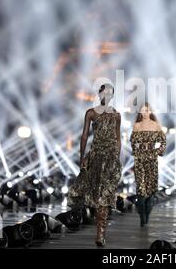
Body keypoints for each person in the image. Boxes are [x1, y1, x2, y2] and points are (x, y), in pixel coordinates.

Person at [68, 84, 121, 247]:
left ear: (112, 96)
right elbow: (84, 136)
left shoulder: (117, 115)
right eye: (105, 92)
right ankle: (98, 227)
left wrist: (117, 157)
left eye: (110, 93)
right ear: (99, 94)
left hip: (111, 157)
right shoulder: (91, 113)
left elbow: (118, 137)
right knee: (95, 193)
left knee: (105, 194)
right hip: (96, 155)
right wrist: (82, 157)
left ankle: (100, 233)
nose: (107, 95)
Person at [130, 103, 166, 227]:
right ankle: (142, 217)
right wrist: (137, 152)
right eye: (142, 110)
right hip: (139, 160)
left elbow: (163, 141)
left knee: (151, 189)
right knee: (140, 188)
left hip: (152, 160)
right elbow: (132, 142)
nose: (144, 112)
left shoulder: (156, 125)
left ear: (150, 111)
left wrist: (156, 152)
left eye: (147, 110)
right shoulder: (137, 126)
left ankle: (147, 213)